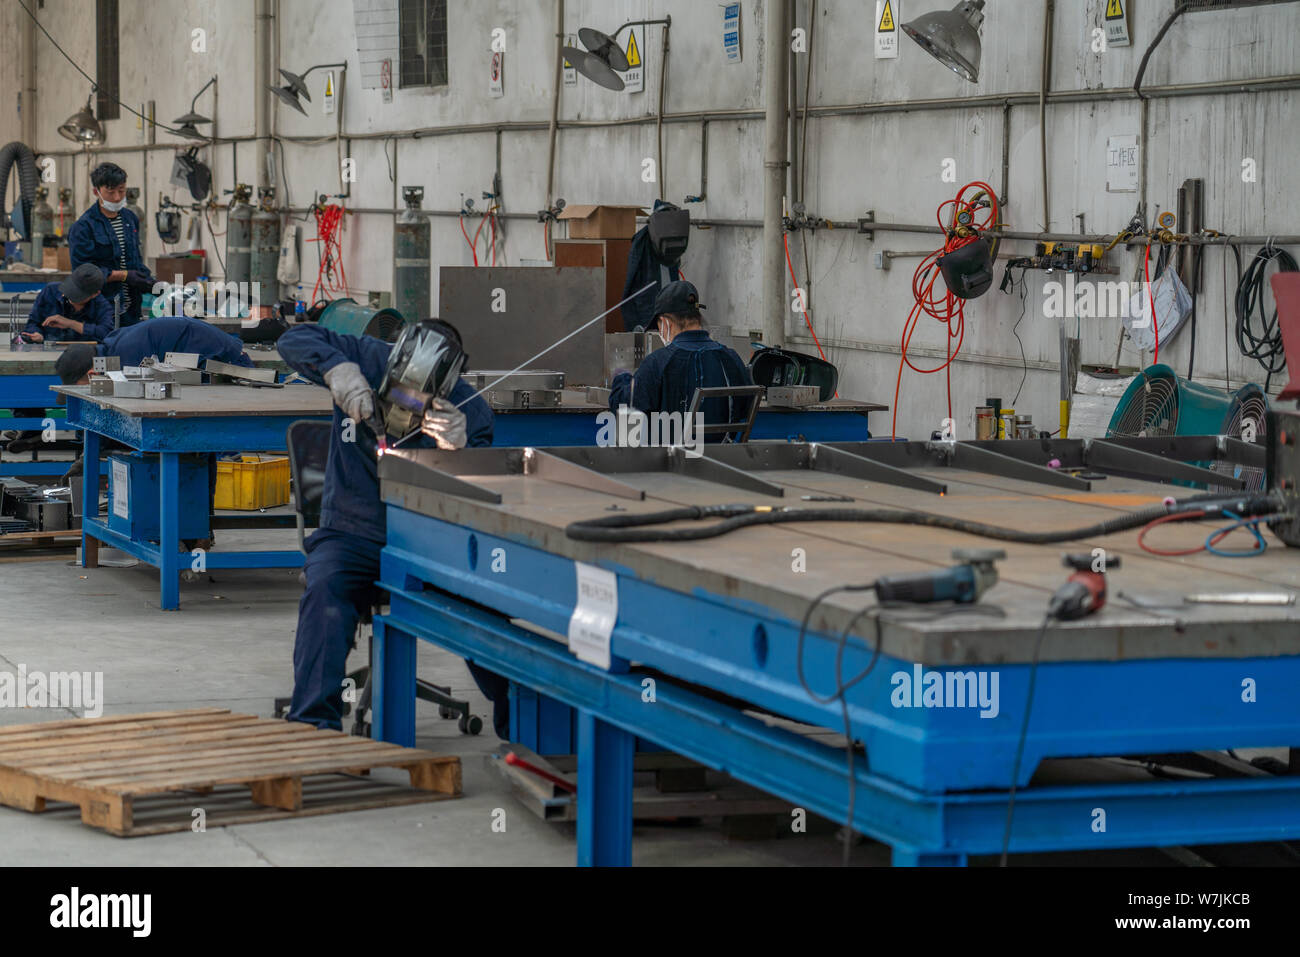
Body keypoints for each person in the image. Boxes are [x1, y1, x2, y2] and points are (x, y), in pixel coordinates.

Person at [275, 320, 511, 737]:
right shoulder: (365, 356)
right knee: (325, 590)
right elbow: (292, 337)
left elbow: (482, 493)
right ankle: (313, 727)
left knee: (483, 604)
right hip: (351, 531)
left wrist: (460, 451)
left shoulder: (468, 409)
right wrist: (335, 369)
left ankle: (522, 723)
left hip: (431, 543)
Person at [609, 280, 754, 438]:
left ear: (665, 323)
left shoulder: (658, 363)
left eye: (658, 326)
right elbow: (746, 406)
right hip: (723, 457)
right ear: (697, 318)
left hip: (674, 460)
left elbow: (625, 407)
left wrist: (621, 379)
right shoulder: (731, 358)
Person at [2, 265, 115, 450]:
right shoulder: (49, 293)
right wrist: (37, 335)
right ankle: (31, 429)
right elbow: (33, 323)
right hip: (43, 359)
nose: (72, 300)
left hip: (80, 366)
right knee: (24, 388)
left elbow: (107, 334)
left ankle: (87, 439)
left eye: (79, 297)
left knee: (87, 402)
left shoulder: (101, 305)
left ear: (94, 294)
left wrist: (70, 324)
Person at [68, 162, 154, 328]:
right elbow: (83, 273)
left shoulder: (130, 219)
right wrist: (123, 275)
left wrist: (151, 283)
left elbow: (134, 259)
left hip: (132, 311)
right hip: (102, 311)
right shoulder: (83, 227)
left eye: (121, 190)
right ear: (96, 191)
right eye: (110, 191)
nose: (117, 197)